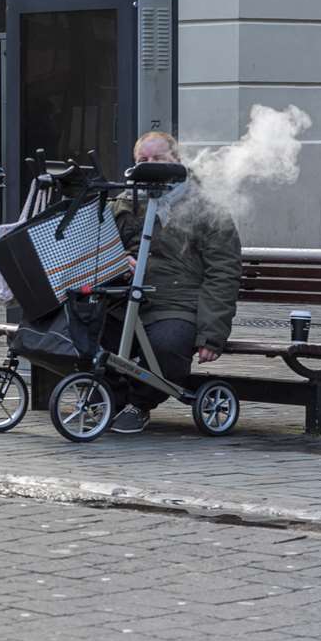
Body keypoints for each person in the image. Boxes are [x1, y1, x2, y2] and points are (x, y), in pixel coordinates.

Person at [106, 130, 242, 434]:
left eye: (159, 159)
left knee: (165, 347)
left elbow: (223, 272)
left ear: (177, 161)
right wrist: (116, 262)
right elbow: (96, 249)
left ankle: (137, 404)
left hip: (177, 305)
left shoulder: (206, 208)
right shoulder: (123, 203)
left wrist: (212, 333)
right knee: (90, 333)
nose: (151, 165)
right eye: (144, 160)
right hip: (124, 300)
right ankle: (109, 401)